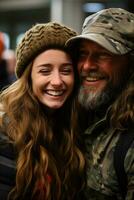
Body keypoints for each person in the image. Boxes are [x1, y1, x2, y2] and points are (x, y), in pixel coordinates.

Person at [0, 22, 85, 200]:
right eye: (45, 71)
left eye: (66, 70)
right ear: (28, 77)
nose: (57, 81)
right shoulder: (5, 132)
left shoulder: (75, 122)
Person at [66, 8, 134, 200]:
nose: (87, 66)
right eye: (82, 54)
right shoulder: (76, 114)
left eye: (103, 54)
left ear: (130, 62)